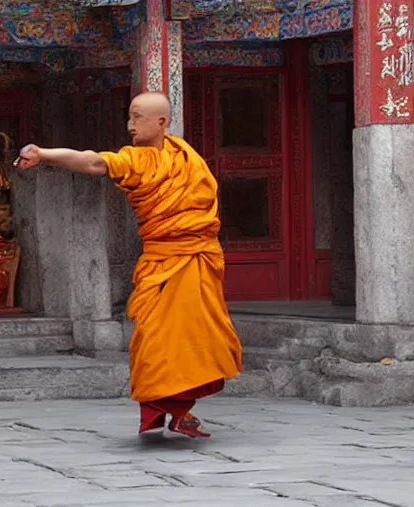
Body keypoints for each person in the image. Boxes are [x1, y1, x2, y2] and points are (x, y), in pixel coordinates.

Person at [15, 92, 243, 438]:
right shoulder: (136, 160)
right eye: (130, 117)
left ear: (162, 122)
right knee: (153, 338)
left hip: (195, 258)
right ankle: (160, 406)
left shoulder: (186, 158)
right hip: (161, 262)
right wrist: (44, 155)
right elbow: (92, 162)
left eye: (137, 117)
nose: (130, 125)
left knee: (195, 337)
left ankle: (182, 410)